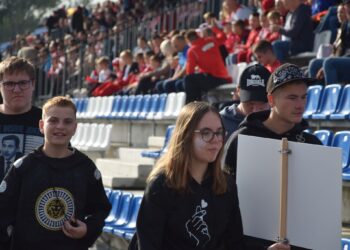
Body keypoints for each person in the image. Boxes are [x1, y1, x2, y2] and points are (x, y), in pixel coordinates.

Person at [131, 101, 289, 250]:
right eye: (206, 133)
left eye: (220, 133)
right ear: (186, 136)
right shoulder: (162, 184)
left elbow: (234, 243)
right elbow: (148, 244)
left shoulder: (226, 184)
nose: (216, 140)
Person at [0, 96, 111, 249]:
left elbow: (100, 209)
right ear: (41, 125)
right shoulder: (23, 167)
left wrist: (88, 229)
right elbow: (3, 211)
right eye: (53, 120)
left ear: (75, 128)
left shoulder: (86, 168)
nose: (60, 126)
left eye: (67, 121)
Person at [224, 63, 322, 179]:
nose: (300, 105)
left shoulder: (312, 143)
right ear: (271, 100)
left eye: (303, 97)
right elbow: (222, 187)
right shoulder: (242, 138)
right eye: (292, 98)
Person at [0, 56, 44, 181]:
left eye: (23, 83)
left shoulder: (48, 121)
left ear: (33, 84)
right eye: (9, 84)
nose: (16, 89)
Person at [220, 64, 271, 138]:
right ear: (238, 91)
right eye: (250, 103)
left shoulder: (278, 122)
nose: (255, 110)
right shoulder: (220, 122)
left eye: (262, 104)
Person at [184, 30, 232, 103]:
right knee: (194, 80)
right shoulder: (211, 40)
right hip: (225, 77)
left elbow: (190, 72)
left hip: (214, 79)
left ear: (188, 40)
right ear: (198, 35)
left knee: (189, 80)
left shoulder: (192, 50)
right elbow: (223, 36)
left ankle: (194, 104)